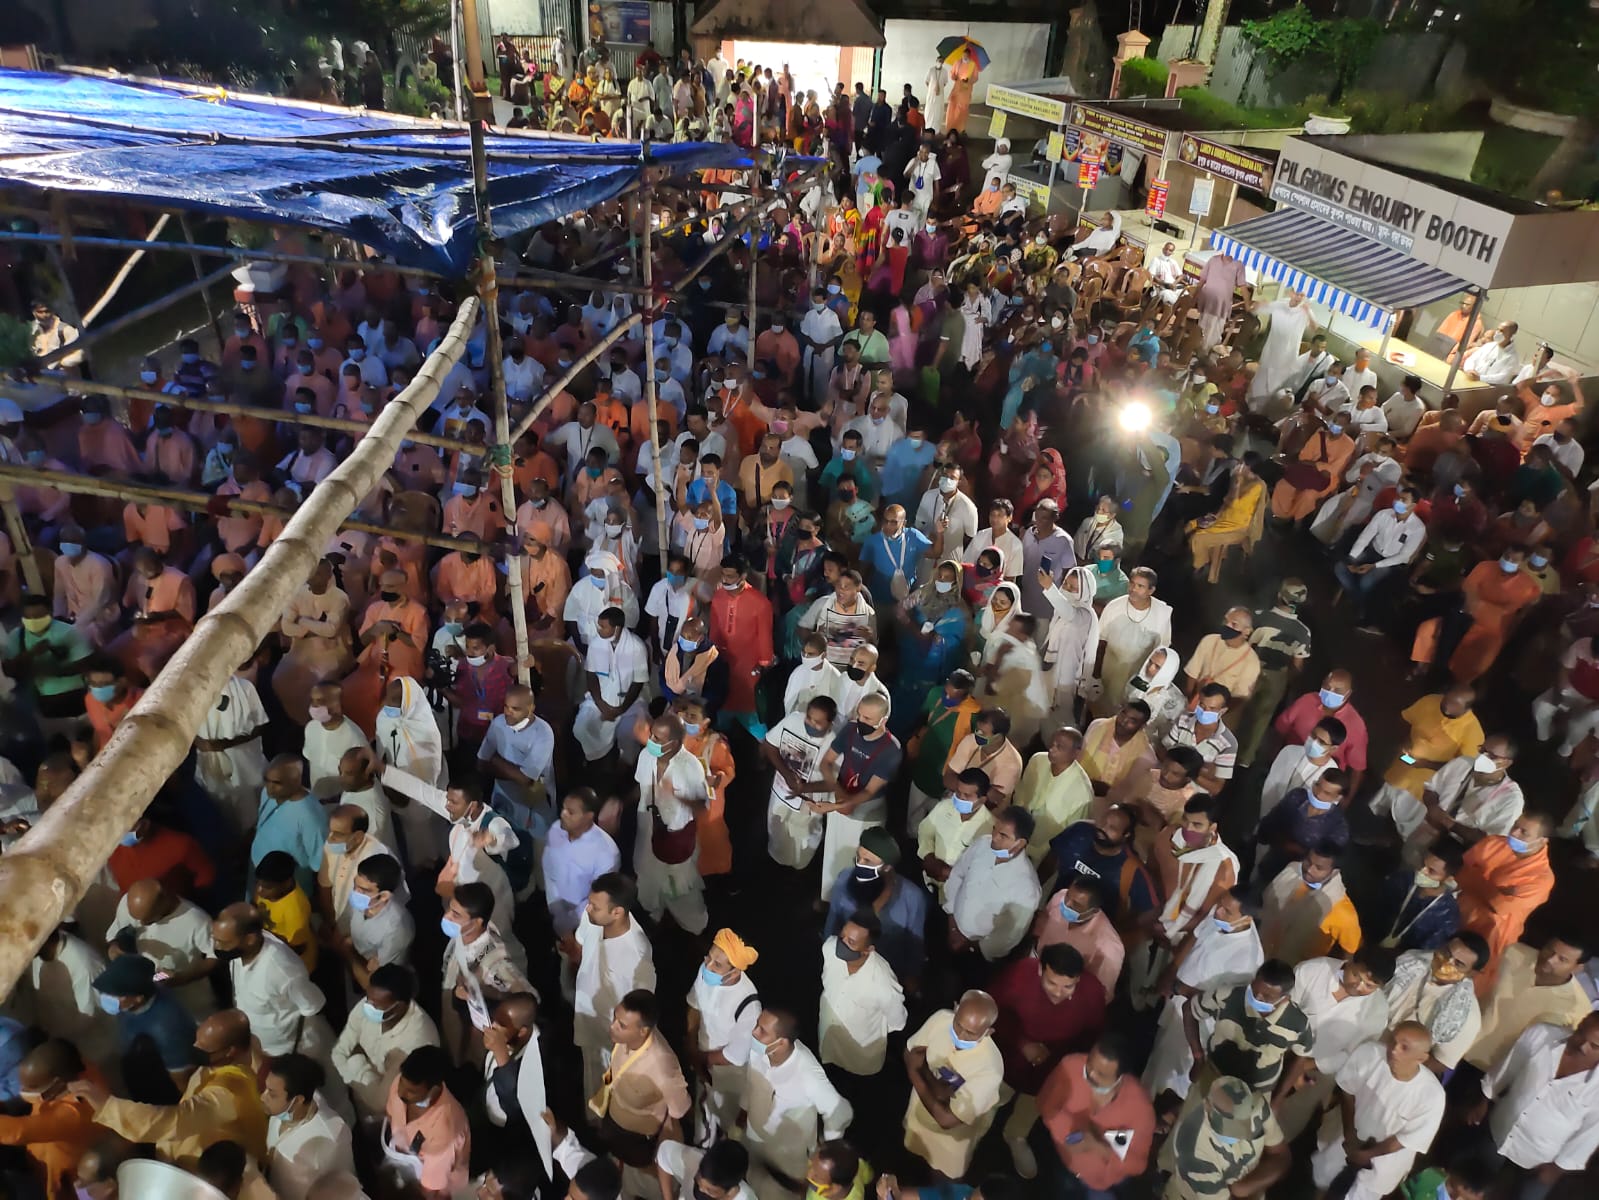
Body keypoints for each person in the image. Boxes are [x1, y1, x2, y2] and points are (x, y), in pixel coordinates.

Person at [70, 1008, 269, 1168]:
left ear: (230, 1052)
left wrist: (108, 1107)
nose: (195, 1048)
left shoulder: (229, 1093)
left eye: (204, 1047)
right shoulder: (231, 1056)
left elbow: (177, 1119)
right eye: (196, 1040)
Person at [991, 943, 1108, 1177]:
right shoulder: (1019, 974)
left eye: (1068, 987)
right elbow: (992, 1010)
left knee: (1032, 1105)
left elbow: (1092, 1036)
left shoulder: (1093, 992)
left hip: (1050, 1070)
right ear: (1040, 970)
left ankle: (1016, 1135)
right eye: (1051, 983)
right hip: (1005, 1059)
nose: (1058, 992)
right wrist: (1022, 1043)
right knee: (989, 1100)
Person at [1468, 1013, 1599, 1200]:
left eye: (1595, 1046)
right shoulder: (1542, 1035)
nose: (1583, 1046)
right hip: (1501, 1130)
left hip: (1539, 1161)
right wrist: (1484, 1099)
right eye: (1581, 1035)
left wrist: (1557, 1169)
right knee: (1470, 1184)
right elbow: (1508, 1067)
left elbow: (1589, 1134)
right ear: (1580, 1024)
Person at [1309, 1023, 1445, 1200]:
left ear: (1421, 1058)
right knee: (1324, 1184)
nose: (1394, 1050)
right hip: (1346, 1143)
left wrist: (1368, 1155)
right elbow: (1347, 1091)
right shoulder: (1369, 1054)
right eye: (1393, 1042)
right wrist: (1350, 1134)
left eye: (1404, 1047)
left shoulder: (1432, 1095)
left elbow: (1408, 1139)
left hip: (1383, 1166)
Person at [740, 1008, 853, 1192]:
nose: (754, 1032)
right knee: (753, 1177)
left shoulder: (809, 1076)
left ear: (782, 1043)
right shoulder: (758, 1050)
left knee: (779, 1191)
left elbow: (839, 1111)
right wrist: (743, 1111)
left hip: (786, 1148)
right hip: (754, 1132)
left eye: (762, 1030)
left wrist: (825, 1154)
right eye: (756, 1026)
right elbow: (751, 1082)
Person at [902, 991, 1004, 1179]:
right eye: (958, 1025)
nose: (961, 1036)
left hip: (951, 1140)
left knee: (942, 1175)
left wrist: (916, 1073)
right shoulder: (941, 1019)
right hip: (919, 1113)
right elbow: (911, 1052)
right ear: (956, 1008)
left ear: (988, 1032)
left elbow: (947, 1120)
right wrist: (935, 1088)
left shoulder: (990, 1070)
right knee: (913, 1154)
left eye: (971, 1033)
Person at [1452, 815, 1555, 994]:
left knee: (1466, 985)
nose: (1514, 832)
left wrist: (1475, 877)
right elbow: (1459, 872)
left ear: (1542, 841)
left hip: (1493, 935)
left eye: (1524, 832)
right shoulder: (1494, 843)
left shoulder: (1542, 878)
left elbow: (1500, 907)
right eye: (1515, 825)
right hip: (1457, 915)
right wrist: (1494, 891)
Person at [822, 828, 930, 990]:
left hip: (887, 975)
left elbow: (915, 944)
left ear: (887, 867)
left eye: (868, 861)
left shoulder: (912, 897)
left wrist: (911, 977)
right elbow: (832, 922)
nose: (860, 864)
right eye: (858, 857)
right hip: (846, 967)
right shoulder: (845, 878)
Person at [330, 966, 441, 1120]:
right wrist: (359, 1077)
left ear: (400, 1005)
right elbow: (338, 1052)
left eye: (376, 1005)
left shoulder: (417, 1042)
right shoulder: (369, 1003)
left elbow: (381, 1102)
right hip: (364, 1092)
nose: (368, 1007)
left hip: (392, 1113)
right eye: (368, 999)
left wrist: (356, 1062)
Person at [1158, 1075, 1289, 1200]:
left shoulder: (1256, 1105)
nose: (1237, 1135)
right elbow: (1277, 1162)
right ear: (1208, 1108)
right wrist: (1260, 1181)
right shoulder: (1192, 1148)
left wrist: (1243, 1188)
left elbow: (1283, 1158)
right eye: (1229, 1128)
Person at [944, 807, 1042, 961]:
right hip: (950, 927)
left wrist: (971, 946)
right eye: (995, 829)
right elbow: (958, 874)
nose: (994, 837)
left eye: (1003, 835)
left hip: (976, 954)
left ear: (1020, 843)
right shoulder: (982, 845)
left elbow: (1008, 935)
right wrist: (951, 922)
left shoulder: (1026, 887)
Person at [1383, 935, 1490, 1072]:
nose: (1447, 962)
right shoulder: (1412, 961)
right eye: (1446, 953)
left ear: (1473, 973)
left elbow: (1440, 1062)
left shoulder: (1467, 1016)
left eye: (1458, 964)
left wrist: (1397, 1064)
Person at [819, 910, 907, 1076]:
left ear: (868, 949)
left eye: (851, 942)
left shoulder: (884, 984)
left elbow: (897, 1022)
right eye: (842, 935)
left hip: (860, 1051)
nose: (842, 942)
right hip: (829, 1037)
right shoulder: (830, 947)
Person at [261, 1053, 356, 1200]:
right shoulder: (278, 1112)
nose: (263, 1097)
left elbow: (344, 1188)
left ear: (298, 1100)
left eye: (272, 1094)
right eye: (266, 1089)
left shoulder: (332, 1136)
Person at [381, 1046, 471, 1199]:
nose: (401, 1092)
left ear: (433, 1090)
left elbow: (429, 1189)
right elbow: (391, 1115)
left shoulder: (444, 1130)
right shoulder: (400, 1085)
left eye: (412, 1091)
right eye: (402, 1083)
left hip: (438, 1183)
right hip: (405, 1160)